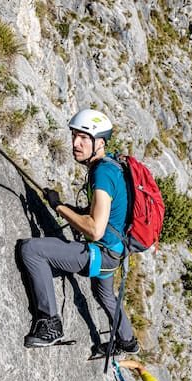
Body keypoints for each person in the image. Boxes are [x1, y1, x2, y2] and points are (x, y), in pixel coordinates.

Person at [19, 108, 139, 354]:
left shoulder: (103, 173)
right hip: (115, 251)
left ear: (100, 142)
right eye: (74, 136)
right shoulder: (113, 165)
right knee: (103, 293)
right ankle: (128, 341)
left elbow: (95, 230)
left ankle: (50, 325)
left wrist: (59, 207)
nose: (75, 143)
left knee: (32, 250)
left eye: (84, 138)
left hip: (102, 252)